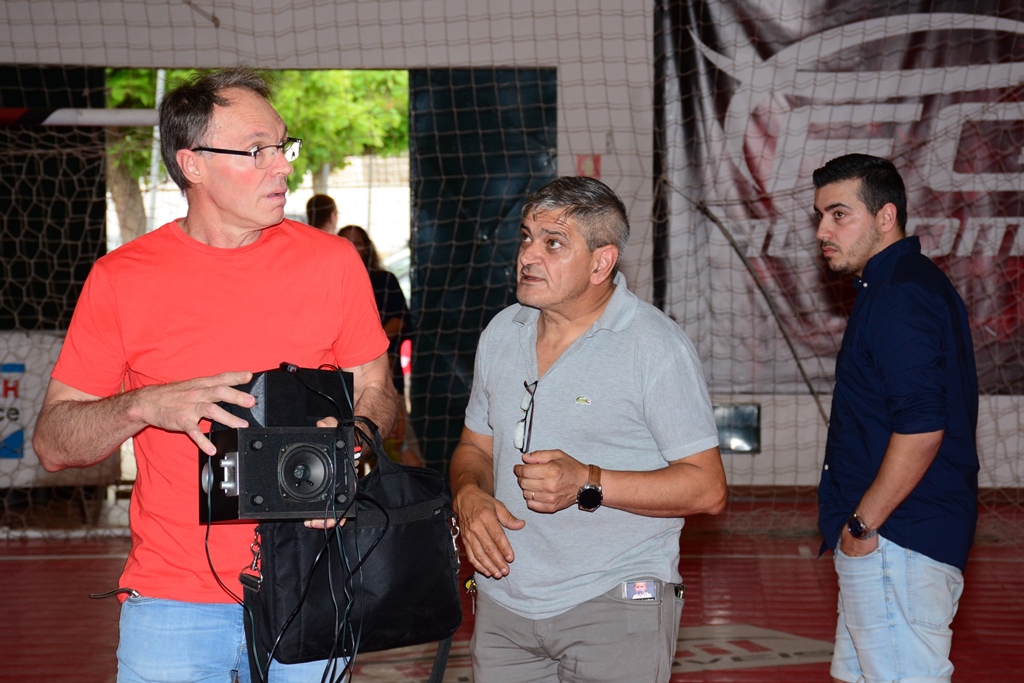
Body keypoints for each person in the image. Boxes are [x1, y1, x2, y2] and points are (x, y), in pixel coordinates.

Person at [31, 68, 399, 683]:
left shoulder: (333, 263)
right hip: (171, 600)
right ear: (192, 163)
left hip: (312, 583)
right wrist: (143, 405)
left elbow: (378, 391)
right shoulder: (122, 278)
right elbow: (51, 443)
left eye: (285, 146)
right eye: (259, 150)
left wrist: (354, 446)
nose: (283, 166)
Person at [449, 175, 728, 683]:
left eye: (553, 243)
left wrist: (588, 481)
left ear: (602, 262)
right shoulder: (500, 332)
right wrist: (469, 495)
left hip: (614, 601)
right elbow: (474, 445)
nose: (529, 255)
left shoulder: (655, 346)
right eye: (526, 237)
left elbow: (707, 488)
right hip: (505, 600)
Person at [812, 154, 979, 683]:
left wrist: (864, 523)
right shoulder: (894, 287)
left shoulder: (902, 294)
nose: (822, 231)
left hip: (898, 540)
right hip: (891, 542)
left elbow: (924, 425)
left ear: (886, 217)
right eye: (819, 216)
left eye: (840, 215)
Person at [338, 224, 423, 467]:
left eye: (358, 242)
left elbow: (400, 320)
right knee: (350, 449)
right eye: (346, 242)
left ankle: (415, 497)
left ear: (367, 248)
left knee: (394, 443)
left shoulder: (383, 280)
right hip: (342, 381)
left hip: (383, 375)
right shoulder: (331, 279)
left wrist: (364, 344)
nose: (353, 247)